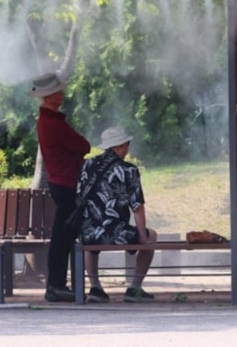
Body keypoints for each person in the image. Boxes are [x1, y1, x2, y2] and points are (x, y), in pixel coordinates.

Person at [77, 126, 158, 303]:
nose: (128, 148)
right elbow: (137, 206)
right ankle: (134, 288)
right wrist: (143, 237)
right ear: (120, 146)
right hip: (116, 233)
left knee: (90, 237)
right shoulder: (129, 170)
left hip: (89, 233)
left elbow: (80, 195)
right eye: (126, 144)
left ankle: (95, 287)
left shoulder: (88, 165)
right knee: (152, 236)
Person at [31, 72, 91, 302]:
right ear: (49, 96)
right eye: (58, 91)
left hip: (62, 182)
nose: (62, 94)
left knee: (64, 236)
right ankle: (55, 285)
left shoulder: (48, 121)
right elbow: (83, 145)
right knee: (62, 237)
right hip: (66, 183)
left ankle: (59, 284)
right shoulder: (52, 123)